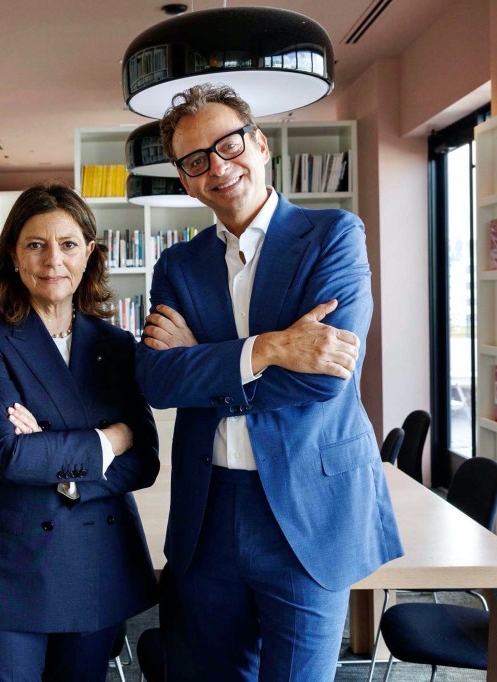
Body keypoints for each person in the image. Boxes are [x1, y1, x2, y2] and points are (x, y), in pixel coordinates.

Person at [135, 84, 404, 681]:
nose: (218, 167)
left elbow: (323, 380)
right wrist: (275, 348)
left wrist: (205, 363)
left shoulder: (333, 235)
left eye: (229, 145)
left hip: (309, 508)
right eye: (196, 160)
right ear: (185, 180)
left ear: (259, 145)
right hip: (209, 513)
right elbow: (157, 380)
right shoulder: (178, 266)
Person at [0, 182, 159, 681]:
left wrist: (53, 451)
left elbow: (145, 458)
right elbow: (9, 455)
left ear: (90, 254)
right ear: (13, 256)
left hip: (93, 562)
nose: (52, 260)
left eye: (67, 244)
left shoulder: (116, 344)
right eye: (35, 244)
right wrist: (109, 439)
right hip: (6, 566)